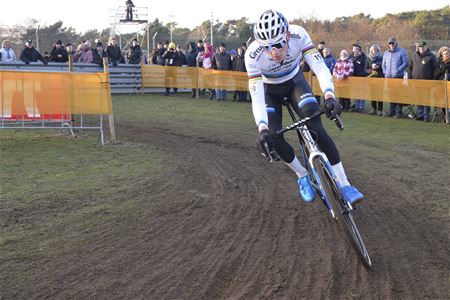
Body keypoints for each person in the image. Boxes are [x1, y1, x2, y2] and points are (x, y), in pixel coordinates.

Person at [245, 9, 363, 204]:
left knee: (316, 127)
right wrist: (262, 128)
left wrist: (329, 95)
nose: (273, 52)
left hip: (295, 83)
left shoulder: (299, 34)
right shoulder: (253, 55)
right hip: (269, 92)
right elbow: (256, 95)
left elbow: (319, 67)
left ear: (288, 36)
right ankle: (302, 175)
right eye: (267, 47)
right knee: (273, 137)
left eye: (278, 44)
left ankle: (344, 184)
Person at [408, 41, 438, 122]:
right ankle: (420, 114)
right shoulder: (414, 55)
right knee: (419, 98)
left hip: (427, 82)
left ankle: (426, 115)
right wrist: (409, 79)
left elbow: (435, 69)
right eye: (420, 47)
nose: (421, 48)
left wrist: (433, 81)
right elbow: (410, 68)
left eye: (423, 47)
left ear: (426, 47)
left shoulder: (432, 56)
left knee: (426, 99)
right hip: (416, 82)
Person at [382, 36, 409, 118]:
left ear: (396, 43)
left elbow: (406, 63)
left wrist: (398, 69)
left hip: (398, 77)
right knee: (391, 95)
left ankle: (398, 112)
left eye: (393, 43)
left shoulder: (402, 51)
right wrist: (385, 73)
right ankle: (391, 111)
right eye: (390, 43)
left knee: (399, 95)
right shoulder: (386, 53)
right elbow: (383, 64)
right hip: (389, 77)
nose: (391, 44)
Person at [364, 44, 384, 115]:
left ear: (378, 50)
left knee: (380, 94)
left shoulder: (381, 58)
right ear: (371, 50)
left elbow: (384, 66)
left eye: (376, 49)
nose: (374, 51)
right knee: (373, 94)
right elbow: (365, 69)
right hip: (371, 79)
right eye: (373, 49)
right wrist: (371, 71)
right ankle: (374, 109)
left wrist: (378, 66)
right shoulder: (368, 58)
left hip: (380, 78)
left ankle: (380, 110)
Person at [349, 43, 367, 112]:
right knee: (355, 93)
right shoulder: (350, 56)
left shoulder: (363, 57)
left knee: (362, 93)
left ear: (359, 50)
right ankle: (356, 106)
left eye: (356, 49)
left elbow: (364, 65)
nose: (355, 50)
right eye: (354, 49)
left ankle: (361, 107)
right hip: (354, 77)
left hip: (362, 77)